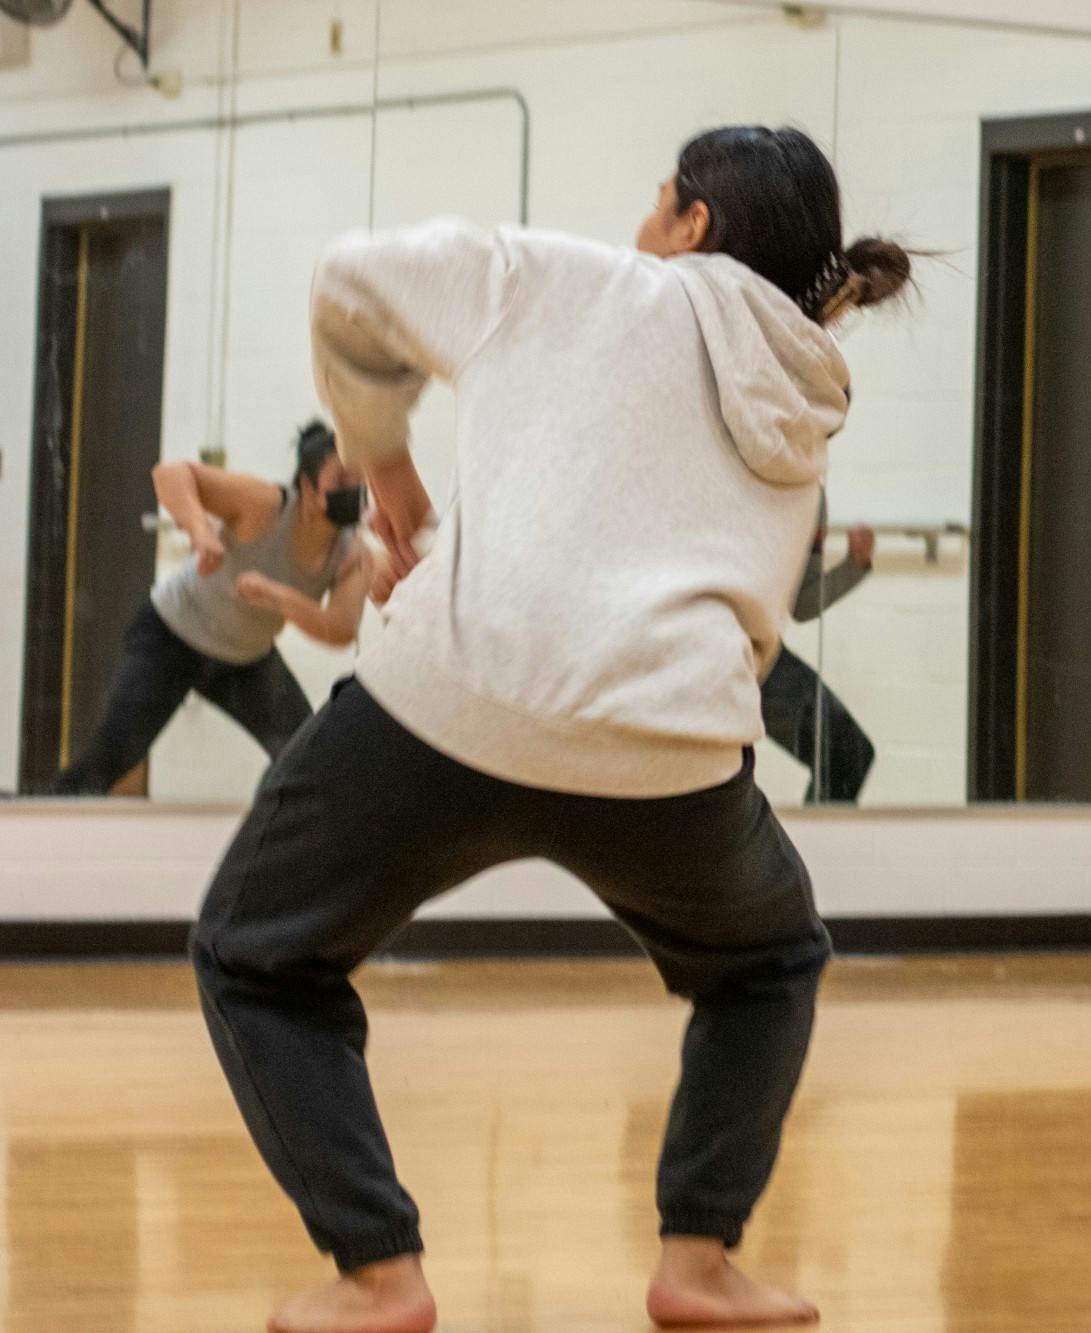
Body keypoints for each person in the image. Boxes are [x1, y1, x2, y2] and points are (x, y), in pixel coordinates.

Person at [188, 125, 912, 1332]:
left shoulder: (581, 279)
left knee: (256, 953)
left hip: (448, 702)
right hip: (669, 750)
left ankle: (378, 1272)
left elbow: (351, 276)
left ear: (693, 225)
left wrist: (386, 464)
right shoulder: (808, 388)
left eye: (657, 201)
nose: (643, 224)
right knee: (767, 960)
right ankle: (697, 1263)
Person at [39, 421, 369, 795]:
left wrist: (278, 597)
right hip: (171, 637)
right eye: (342, 481)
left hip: (245, 660)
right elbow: (170, 475)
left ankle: (261, 832)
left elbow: (340, 628)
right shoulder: (263, 504)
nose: (354, 491)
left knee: (306, 756)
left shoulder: (351, 553)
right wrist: (200, 531)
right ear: (308, 488)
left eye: (360, 481)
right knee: (108, 761)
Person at [762, 498, 878, 802]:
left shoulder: (814, 495)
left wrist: (854, 564)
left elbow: (802, 604)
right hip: (704, 650)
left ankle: (805, 851)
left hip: (758, 657)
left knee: (849, 755)